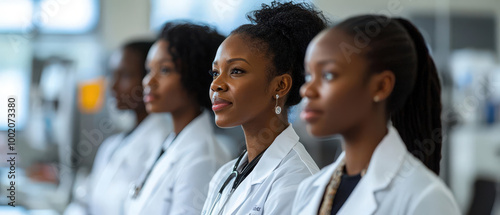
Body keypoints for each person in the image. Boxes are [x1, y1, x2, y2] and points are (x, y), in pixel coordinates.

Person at [292, 15, 460, 214]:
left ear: (381, 86)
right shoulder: (309, 190)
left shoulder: (425, 197)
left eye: (328, 75)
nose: (306, 90)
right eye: (309, 76)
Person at [202, 2, 328, 214]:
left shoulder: (297, 181)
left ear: (280, 85)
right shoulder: (224, 176)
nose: (216, 84)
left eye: (236, 71)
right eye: (216, 73)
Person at [123, 22, 231, 215]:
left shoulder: (203, 158)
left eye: (164, 70)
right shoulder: (171, 143)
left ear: (194, 75)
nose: (148, 81)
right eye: (149, 70)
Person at [64, 41, 172, 215]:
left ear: (150, 79)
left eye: (125, 75)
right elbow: (85, 201)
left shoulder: (162, 144)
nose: (112, 86)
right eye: (112, 75)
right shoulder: (113, 144)